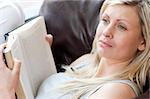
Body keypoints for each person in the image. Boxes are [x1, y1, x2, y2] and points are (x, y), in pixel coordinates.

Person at [0, 0, 149, 99]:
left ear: (142, 42)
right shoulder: (86, 61)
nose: (106, 32)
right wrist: (42, 56)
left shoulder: (117, 90)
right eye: (105, 20)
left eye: (121, 27)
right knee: (12, 12)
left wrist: (6, 93)